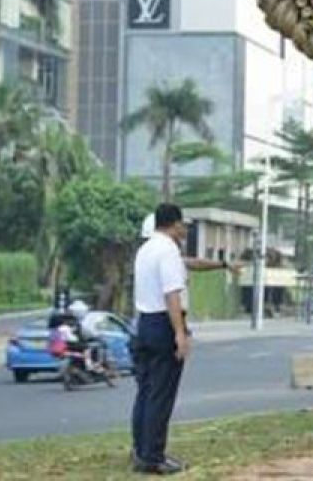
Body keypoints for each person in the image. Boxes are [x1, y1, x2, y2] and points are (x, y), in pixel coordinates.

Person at [131, 203, 192, 475]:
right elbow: (172, 295)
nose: (184, 229)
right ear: (174, 224)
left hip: (144, 321)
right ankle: (154, 456)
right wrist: (180, 332)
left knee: (145, 392)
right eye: (183, 224)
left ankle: (141, 450)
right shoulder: (168, 250)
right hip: (162, 323)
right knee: (161, 393)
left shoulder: (144, 249)